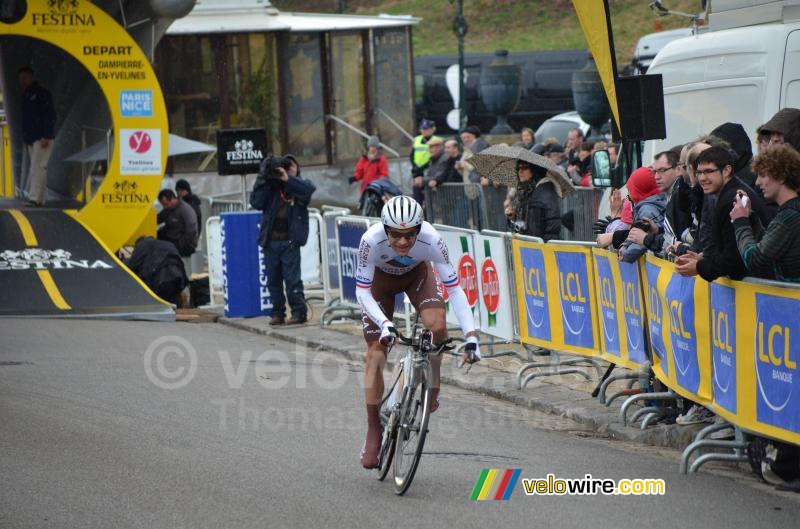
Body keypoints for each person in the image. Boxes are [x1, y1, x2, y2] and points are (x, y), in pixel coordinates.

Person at [354, 195, 480, 468]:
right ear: (385, 230)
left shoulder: (432, 240)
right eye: (396, 235)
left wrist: (471, 336)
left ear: (419, 229)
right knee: (375, 354)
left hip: (417, 277)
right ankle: (374, 429)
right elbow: (362, 291)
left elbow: (455, 289)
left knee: (438, 328)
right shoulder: (370, 241)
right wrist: (385, 324)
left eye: (409, 235)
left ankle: (432, 385)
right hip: (379, 285)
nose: (402, 242)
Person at [675, 146, 770, 281]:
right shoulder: (727, 194)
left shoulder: (733, 199)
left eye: (708, 171)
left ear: (726, 170)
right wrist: (704, 258)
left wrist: (700, 266)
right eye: (699, 172)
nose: (702, 178)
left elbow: (734, 259)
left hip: (758, 286)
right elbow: (727, 248)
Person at [250, 154, 316, 325]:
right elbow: (256, 202)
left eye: (290, 167)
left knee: (292, 280)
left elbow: (308, 190)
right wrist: (263, 177)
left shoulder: (299, 186)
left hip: (290, 242)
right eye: (283, 168)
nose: (285, 171)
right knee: (273, 280)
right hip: (271, 241)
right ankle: (277, 313)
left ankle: (299, 312)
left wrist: (290, 178)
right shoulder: (270, 187)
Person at [730, 144, 800, 281]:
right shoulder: (791, 212)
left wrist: (741, 222)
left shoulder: (788, 217)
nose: (757, 182)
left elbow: (755, 260)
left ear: (781, 177)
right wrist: (751, 217)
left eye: (762, 175)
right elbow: (769, 246)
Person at [18, 66, 56, 207]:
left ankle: (34, 198)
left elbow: (49, 115)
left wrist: (46, 135)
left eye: (24, 78)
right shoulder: (27, 95)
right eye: (21, 79)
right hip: (32, 137)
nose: (22, 81)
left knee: (36, 167)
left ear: (31, 77)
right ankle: (40, 198)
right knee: (40, 167)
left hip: (41, 137)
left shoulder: (41, 94)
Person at [505, 160, 562, 241]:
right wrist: (513, 217)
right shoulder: (524, 190)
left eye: (524, 167)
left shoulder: (544, 189)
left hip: (540, 246)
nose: (520, 171)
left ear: (534, 170)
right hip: (526, 243)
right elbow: (522, 223)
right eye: (518, 168)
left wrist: (544, 246)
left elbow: (553, 222)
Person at [618, 166, 666, 263]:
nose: (629, 194)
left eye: (630, 189)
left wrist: (625, 253)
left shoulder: (647, 210)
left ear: (638, 189)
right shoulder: (655, 202)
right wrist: (625, 244)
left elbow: (641, 240)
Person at [125, 236, 188, 305]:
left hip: (158, 280)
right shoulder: (168, 244)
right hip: (177, 278)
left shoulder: (142, 245)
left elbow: (132, 266)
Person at [157, 189, 199, 257]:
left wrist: (180, 244)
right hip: (172, 238)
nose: (165, 207)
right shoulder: (168, 209)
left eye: (166, 204)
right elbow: (158, 219)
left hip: (185, 243)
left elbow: (191, 230)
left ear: (172, 199)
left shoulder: (185, 209)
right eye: (163, 205)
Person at [410, 119, 440, 205]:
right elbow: (412, 155)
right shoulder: (416, 139)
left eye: (427, 129)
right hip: (417, 172)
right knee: (417, 198)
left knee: (430, 199)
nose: (424, 131)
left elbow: (435, 157)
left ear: (433, 129)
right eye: (423, 129)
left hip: (430, 171)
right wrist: (415, 167)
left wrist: (423, 167)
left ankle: (429, 215)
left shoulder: (436, 140)